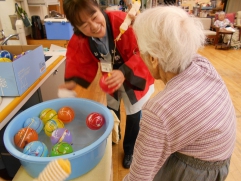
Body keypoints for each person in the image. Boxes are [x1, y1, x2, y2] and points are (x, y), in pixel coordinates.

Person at [123, 6, 236, 181]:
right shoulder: (202, 63)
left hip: (192, 172)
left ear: (153, 59)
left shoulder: (158, 112)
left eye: (140, 52)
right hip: (220, 164)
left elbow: (138, 178)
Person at [60, 0, 154, 169]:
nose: (94, 27)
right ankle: (113, 137)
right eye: (84, 25)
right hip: (110, 74)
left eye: (94, 17)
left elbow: (145, 51)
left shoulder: (122, 21)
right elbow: (77, 58)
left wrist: (124, 71)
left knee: (133, 114)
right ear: (77, 29)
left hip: (135, 73)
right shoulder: (80, 38)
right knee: (112, 109)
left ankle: (130, 149)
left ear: (99, 9)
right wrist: (72, 81)